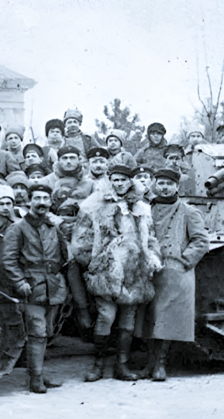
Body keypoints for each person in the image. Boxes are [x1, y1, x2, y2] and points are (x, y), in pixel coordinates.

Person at [72, 164, 162, 383]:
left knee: (128, 316)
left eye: (124, 180)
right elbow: (80, 237)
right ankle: (98, 364)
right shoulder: (94, 204)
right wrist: (93, 262)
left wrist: (151, 258)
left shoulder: (141, 207)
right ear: (109, 180)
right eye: (115, 179)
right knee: (106, 315)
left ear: (130, 181)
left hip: (134, 269)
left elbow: (150, 237)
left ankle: (121, 365)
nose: (119, 184)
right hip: (106, 269)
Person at [142, 168, 209, 381]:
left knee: (164, 317)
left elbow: (201, 241)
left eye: (169, 183)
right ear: (154, 185)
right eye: (160, 183)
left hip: (175, 271)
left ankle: (160, 364)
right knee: (147, 318)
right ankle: (149, 363)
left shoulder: (188, 211)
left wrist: (183, 259)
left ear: (176, 187)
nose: (164, 187)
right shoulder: (145, 210)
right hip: (149, 268)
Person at [2, 181, 68, 393]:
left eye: (45, 199)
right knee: (37, 332)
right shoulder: (18, 228)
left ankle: (38, 373)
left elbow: (64, 256)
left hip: (53, 288)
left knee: (47, 332)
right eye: (37, 198)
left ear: (50, 202)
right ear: (29, 201)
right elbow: (8, 260)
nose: (41, 202)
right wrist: (20, 282)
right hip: (31, 287)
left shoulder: (53, 227)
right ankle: (35, 379)